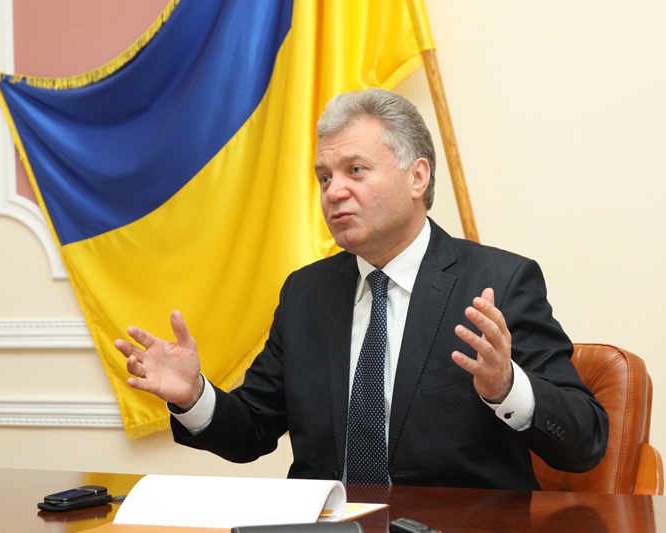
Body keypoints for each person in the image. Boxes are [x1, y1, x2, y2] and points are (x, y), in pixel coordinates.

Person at [114, 88, 608, 490]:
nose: (334, 192)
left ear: (417, 177)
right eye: (323, 177)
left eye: (355, 170)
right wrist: (194, 396)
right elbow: (252, 430)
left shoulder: (498, 282)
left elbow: (586, 441)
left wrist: (507, 387)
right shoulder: (305, 293)